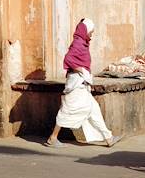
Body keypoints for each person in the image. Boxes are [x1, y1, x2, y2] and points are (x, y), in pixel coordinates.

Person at [44, 18, 121, 148]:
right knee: (67, 112)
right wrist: (80, 70)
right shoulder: (78, 44)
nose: (91, 35)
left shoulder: (82, 44)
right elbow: (68, 59)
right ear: (84, 31)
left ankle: (108, 138)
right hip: (76, 86)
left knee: (94, 109)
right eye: (90, 32)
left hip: (81, 86)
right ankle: (53, 138)